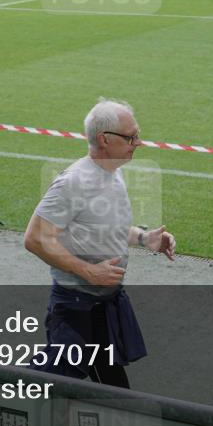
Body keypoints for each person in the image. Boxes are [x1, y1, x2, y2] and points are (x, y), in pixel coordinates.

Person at [24, 98, 176, 388]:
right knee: (51, 385)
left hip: (103, 304)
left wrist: (145, 238)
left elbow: (105, 227)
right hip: (76, 307)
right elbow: (35, 238)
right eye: (131, 137)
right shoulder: (73, 182)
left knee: (114, 389)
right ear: (105, 139)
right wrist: (88, 271)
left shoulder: (112, 173)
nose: (138, 143)